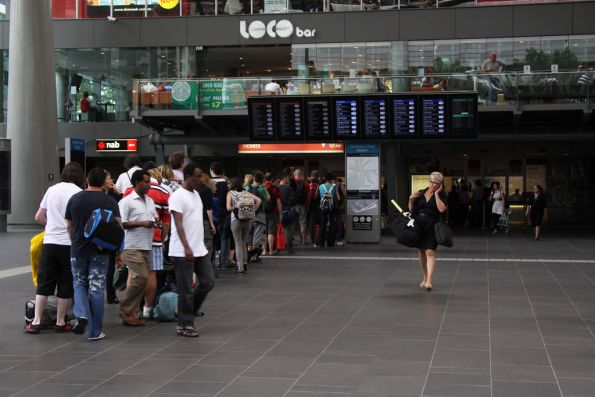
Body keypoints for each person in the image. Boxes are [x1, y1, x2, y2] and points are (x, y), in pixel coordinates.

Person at [26, 163, 85, 334]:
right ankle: (60, 322)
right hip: (69, 244)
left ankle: (36, 322)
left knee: (44, 283)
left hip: (50, 242)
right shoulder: (78, 193)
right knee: (65, 284)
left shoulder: (51, 190)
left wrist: (51, 224)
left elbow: (38, 216)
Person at [65, 167, 121, 341]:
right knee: (96, 288)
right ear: (103, 182)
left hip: (78, 249)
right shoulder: (109, 201)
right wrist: (119, 252)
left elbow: (69, 225)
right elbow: (117, 228)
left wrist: (74, 240)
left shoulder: (75, 199)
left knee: (79, 283)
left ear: (87, 180)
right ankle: (95, 332)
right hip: (100, 250)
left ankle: (81, 314)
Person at [169, 164, 214, 337]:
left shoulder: (196, 195)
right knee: (185, 289)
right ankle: (185, 324)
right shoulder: (177, 197)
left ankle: (184, 311)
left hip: (199, 248)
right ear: (187, 177)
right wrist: (186, 247)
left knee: (208, 282)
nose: (200, 179)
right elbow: (178, 223)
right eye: (197, 176)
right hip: (182, 250)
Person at [118, 170, 158, 326]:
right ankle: (126, 309)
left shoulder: (150, 201)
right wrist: (142, 223)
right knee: (140, 277)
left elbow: (154, 217)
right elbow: (122, 223)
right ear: (136, 183)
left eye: (149, 182)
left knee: (143, 279)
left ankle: (131, 312)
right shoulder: (126, 202)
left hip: (147, 245)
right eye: (146, 182)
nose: (149, 185)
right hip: (132, 246)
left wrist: (155, 221)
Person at [408, 171, 448, 292]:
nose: (434, 185)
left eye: (437, 183)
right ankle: (425, 276)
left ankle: (429, 279)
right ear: (429, 181)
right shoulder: (420, 193)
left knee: (430, 251)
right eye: (432, 182)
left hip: (432, 226)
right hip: (419, 225)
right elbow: (411, 210)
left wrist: (436, 195)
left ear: (440, 184)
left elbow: (441, 209)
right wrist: (410, 199)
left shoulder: (442, 195)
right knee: (421, 252)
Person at [227, 177, 262, 272]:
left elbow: (228, 207)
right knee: (243, 243)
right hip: (247, 220)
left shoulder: (231, 193)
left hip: (236, 220)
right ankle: (245, 263)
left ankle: (240, 267)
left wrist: (236, 207)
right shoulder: (246, 193)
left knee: (238, 243)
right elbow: (259, 200)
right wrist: (253, 210)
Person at [210, 162, 230, 271]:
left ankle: (211, 263)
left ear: (212, 171)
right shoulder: (226, 184)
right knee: (224, 239)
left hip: (212, 215)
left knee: (212, 240)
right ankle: (223, 264)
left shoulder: (209, 183)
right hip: (224, 214)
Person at [247, 171, 269, 262]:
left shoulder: (247, 187)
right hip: (259, 215)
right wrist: (265, 188)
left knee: (250, 236)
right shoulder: (261, 189)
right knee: (257, 237)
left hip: (248, 215)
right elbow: (268, 198)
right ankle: (255, 257)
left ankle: (248, 256)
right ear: (262, 179)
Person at [315, 174, 340, 248]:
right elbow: (338, 198)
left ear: (325, 179)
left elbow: (316, 197)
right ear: (331, 179)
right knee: (332, 224)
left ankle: (321, 242)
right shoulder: (334, 186)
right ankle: (330, 243)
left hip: (322, 207)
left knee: (322, 224)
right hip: (332, 207)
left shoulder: (320, 186)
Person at [262, 171, 282, 256]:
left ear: (264, 179)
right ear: (272, 179)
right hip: (273, 212)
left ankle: (264, 251)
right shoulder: (275, 188)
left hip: (262, 212)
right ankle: (271, 250)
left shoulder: (261, 188)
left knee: (264, 231)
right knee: (271, 232)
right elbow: (278, 202)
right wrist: (280, 213)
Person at [277, 172, 298, 254]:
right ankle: (290, 248)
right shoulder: (289, 188)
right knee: (288, 230)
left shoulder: (276, 188)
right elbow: (294, 199)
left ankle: (276, 248)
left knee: (276, 230)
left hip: (279, 211)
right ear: (284, 178)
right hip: (288, 211)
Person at [293, 169, 310, 245]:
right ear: (301, 175)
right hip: (302, 205)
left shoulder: (291, 183)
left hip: (293, 205)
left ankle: (290, 239)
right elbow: (309, 196)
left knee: (292, 222)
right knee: (303, 222)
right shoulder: (305, 183)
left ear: (294, 175)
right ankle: (304, 239)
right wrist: (307, 205)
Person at [307, 170, 321, 244]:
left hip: (311, 205)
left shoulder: (309, 185)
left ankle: (312, 238)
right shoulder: (320, 185)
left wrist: (307, 206)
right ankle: (318, 238)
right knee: (318, 223)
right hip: (319, 205)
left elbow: (308, 196)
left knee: (311, 222)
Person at [334, 178, 347, 246]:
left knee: (339, 224)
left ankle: (338, 238)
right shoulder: (335, 188)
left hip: (338, 208)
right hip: (338, 208)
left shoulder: (336, 188)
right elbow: (339, 199)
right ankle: (338, 239)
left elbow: (344, 196)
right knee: (339, 224)